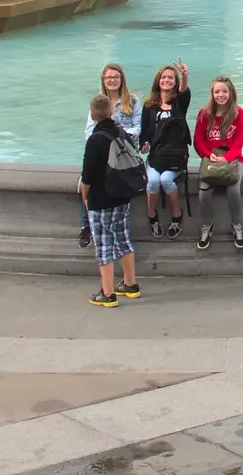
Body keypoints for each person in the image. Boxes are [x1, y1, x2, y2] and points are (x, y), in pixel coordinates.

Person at [80, 94, 139, 307]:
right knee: (123, 237)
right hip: (122, 194)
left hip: (101, 198)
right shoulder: (121, 133)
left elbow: (87, 175)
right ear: (111, 112)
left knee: (103, 243)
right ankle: (130, 284)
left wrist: (85, 195)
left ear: (93, 115)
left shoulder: (95, 140)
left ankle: (107, 293)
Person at [78, 63, 142, 248]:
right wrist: (107, 138)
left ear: (122, 79)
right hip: (102, 153)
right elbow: (89, 131)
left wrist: (121, 132)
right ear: (103, 81)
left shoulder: (133, 101)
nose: (112, 80)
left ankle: (122, 228)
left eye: (116, 77)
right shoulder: (98, 102)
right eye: (109, 77)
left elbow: (138, 128)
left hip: (125, 154)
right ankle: (86, 225)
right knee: (85, 181)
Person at [192, 76, 243, 251]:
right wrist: (209, 155)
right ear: (212, 93)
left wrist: (227, 158)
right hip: (210, 159)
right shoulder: (204, 114)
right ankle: (207, 226)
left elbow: (238, 144)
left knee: (233, 189)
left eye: (224, 91)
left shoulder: (238, 114)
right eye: (217, 91)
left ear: (231, 93)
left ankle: (237, 225)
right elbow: (198, 142)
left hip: (232, 158)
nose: (221, 95)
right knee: (204, 193)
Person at [139, 61, 191, 239]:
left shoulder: (179, 104)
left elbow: (184, 92)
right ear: (158, 81)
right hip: (156, 156)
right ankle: (152, 216)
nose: (167, 80)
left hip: (175, 156)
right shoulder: (149, 106)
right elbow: (144, 132)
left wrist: (184, 76)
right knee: (153, 182)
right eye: (164, 77)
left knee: (166, 180)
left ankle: (177, 215)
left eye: (171, 77)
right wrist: (144, 145)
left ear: (175, 82)